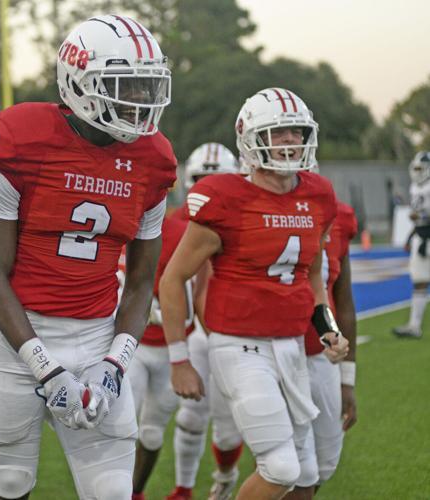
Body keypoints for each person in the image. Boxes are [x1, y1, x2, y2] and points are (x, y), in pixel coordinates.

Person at [0, 14, 176, 500]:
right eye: (125, 85)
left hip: (98, 334)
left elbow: (143, 280)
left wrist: (115, 362)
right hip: (16, 336)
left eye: (147, 87)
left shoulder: (155, 160)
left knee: (111, 491)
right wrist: (44, 366)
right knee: (7, 484)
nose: (140, 102)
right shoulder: (21, 138)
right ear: (80, 81)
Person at [159, 88, 349, 500]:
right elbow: (173, 279)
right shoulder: (225, 197)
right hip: (239, 346)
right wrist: (179, 360)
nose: (289, 141)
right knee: (280, 467)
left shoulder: (317, 194)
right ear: (250, 138)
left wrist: (327, 328)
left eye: (295, 131)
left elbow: (313, 276)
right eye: (277, 132)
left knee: (306, 474)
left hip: (292, 346)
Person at [162, 143, 245, 500]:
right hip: (198, 334)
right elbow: (166, 281)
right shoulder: (175, 223)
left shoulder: (248, 216)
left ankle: (225, 480)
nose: (208, 188)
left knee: (228, 431)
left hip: (238, 336)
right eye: (201, 180)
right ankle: (183, 488)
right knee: (190, 418)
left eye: (216, 179)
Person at [303, 194, 359, 489]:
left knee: (323, 464)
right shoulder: (245, 208)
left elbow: (344, 302)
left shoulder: (337, 217)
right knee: (281, 460)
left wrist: (347, 379)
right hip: (270, 348)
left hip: (321, 354)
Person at [393, 151, 430, 339]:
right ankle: (414, 325)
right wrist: (410, 237)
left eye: (420, 168)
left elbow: (423, 217)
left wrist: (422, 217)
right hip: (421, 237)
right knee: (419, 281)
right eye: (415, 168)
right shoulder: (416, 187)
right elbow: (419, 220)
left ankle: (415, 325)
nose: (417, 172)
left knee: (421, 281)